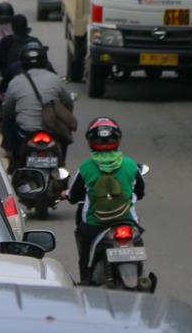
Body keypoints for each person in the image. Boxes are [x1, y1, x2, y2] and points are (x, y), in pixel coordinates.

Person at [65, 117, 145, 284]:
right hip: (127, 222)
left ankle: (85, 280)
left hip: (95, 224)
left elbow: (73, 197)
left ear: (90, 141)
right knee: (138, 240)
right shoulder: (130, 165)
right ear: (117, 140)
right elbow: (141, 192)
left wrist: (68, 194)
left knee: (84, 248)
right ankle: (141, 275)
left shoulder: (86, 168)